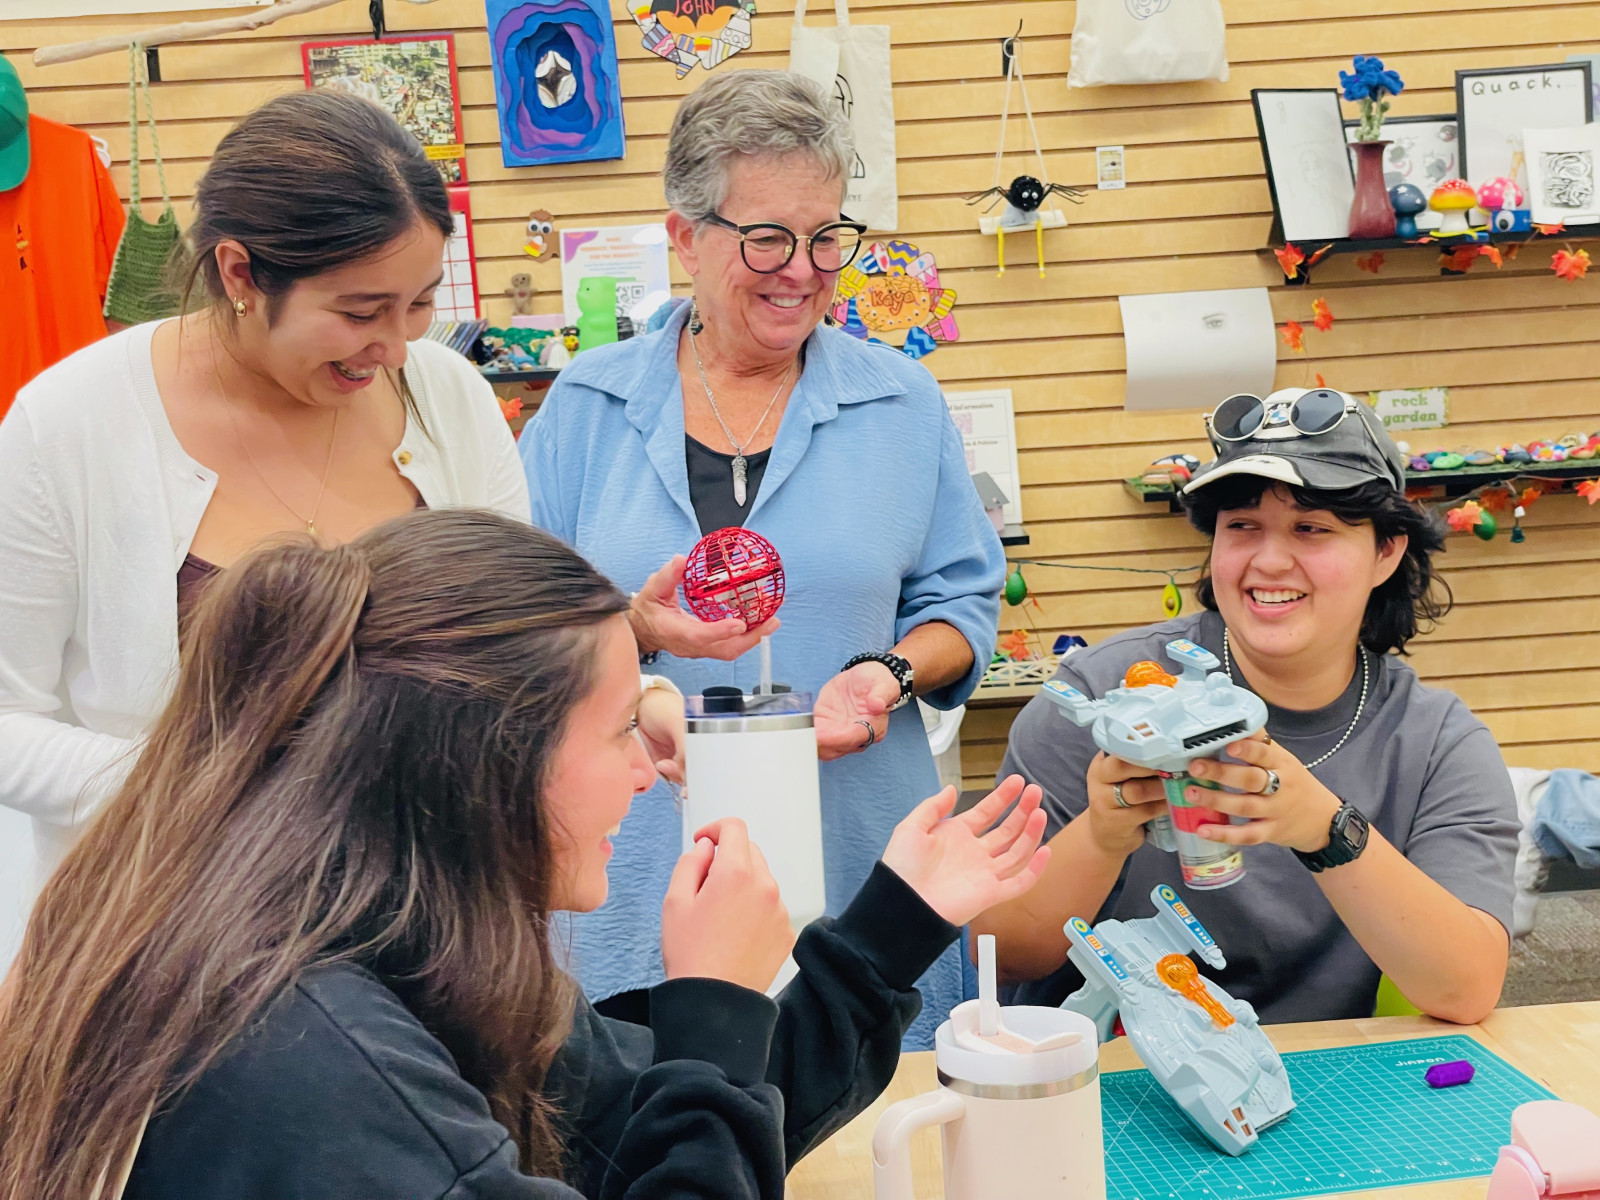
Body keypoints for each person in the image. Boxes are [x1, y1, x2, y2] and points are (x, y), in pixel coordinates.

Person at [0, 510, 1050, 1200]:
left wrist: (892, 924)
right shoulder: (312, 1066)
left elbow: (672, 1123)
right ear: (488, 762)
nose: (648, 774)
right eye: (617, 731)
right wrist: (716, 1003)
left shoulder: (385, 944)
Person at [0, 92, 658, 908]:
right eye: (358, 312)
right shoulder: (71, 424)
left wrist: (626, 700)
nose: (394, 347)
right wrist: (218, 788)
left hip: (426, 936)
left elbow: (509, 645)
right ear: (241, 274)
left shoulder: (446, 395)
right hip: (169, 949)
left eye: (419, 303)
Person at [521, 69, 1006, 1046]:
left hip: (857, 862)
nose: (804, 269)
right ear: (682, 236)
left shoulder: (899, 401)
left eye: (827, 236)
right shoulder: (585, 405)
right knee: (655, 1139)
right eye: (767, 239)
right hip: (641, 864)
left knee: (873, 1146)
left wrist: (887, 673)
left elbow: (964, 600)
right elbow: (516, 620)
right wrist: (630, 637)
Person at [975, 387, 1518, 1024]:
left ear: (1387, 551)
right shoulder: (1103, 695)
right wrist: (1101, 833)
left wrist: (1324, 827)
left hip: (1328, 1081)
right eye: (1242, 527)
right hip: (1103, 1079)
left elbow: (1466, 987)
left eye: (1311, 528)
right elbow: (996, 951)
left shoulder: (1435, 743)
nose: (1268, 560)